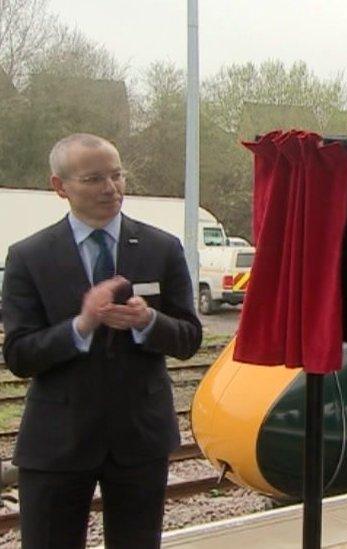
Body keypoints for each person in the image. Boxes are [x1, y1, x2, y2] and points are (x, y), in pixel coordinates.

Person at [1, 133, 202, 548]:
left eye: (117, 175)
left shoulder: (162, 248)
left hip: (139, 438)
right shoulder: (28, 256)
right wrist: (82, 325)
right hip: (57, 441)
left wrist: (149, 322)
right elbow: (19, 355)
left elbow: (189, 338)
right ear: (60, 186)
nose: (111, 189)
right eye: (94, 179)